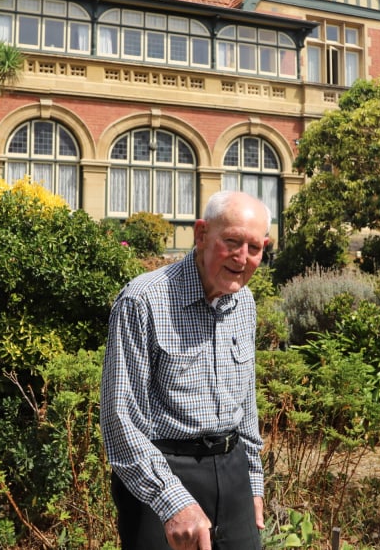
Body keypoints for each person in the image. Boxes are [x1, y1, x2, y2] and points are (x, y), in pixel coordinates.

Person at [101, 190, 270, 550]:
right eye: (232, 241)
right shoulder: (143, 299)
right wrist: (171, 501)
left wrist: (253, 482)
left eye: (254, 248)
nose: (242, 258)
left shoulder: (245, 303)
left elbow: (247, 402)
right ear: (201, 234)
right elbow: (120, 419)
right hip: (160, 474)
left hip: (233, 469)